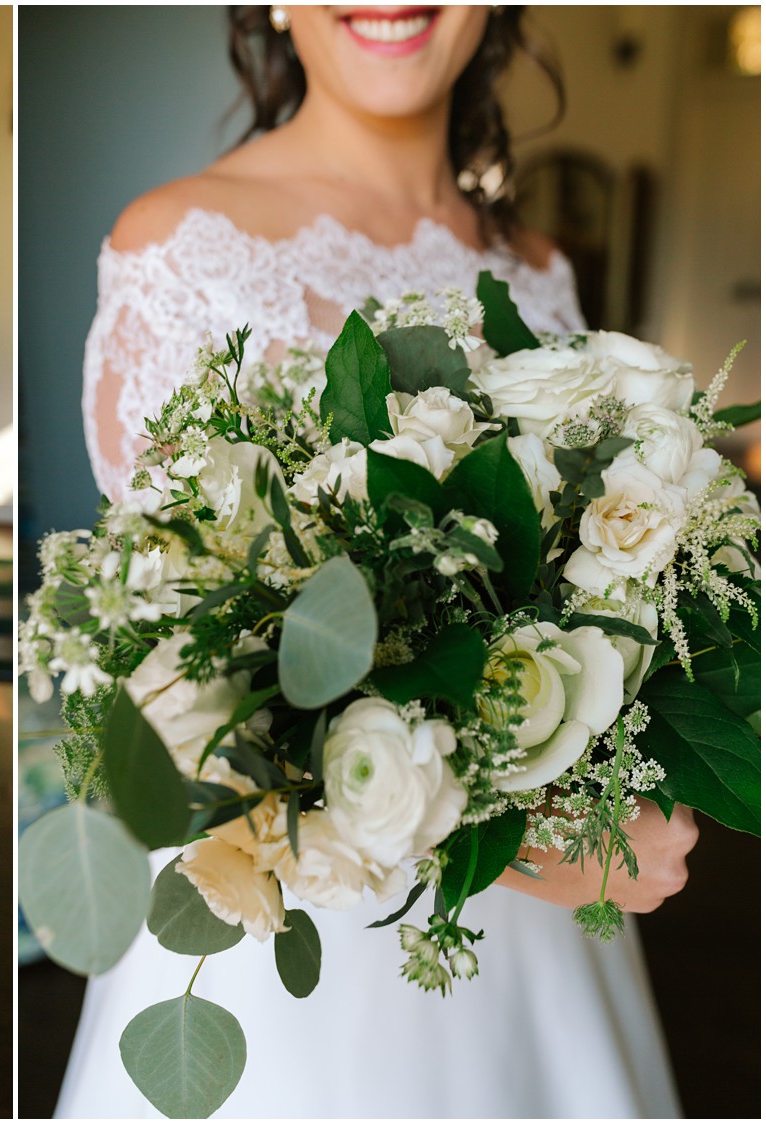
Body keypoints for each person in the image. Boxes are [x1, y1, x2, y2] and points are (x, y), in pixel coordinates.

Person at [65, 6, 698, 1117]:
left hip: (545, 966)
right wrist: (533, 842)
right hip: (299, 948)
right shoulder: (179, 246)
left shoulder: (541, 272)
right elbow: (183, 680)